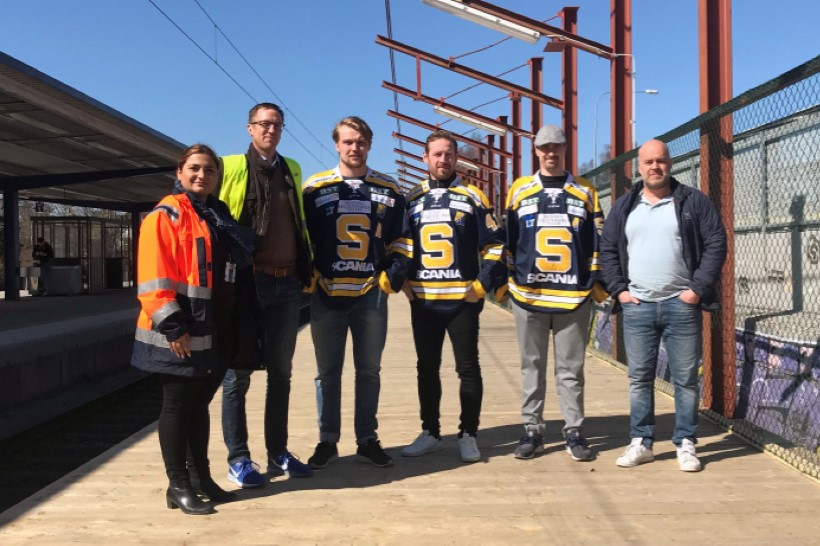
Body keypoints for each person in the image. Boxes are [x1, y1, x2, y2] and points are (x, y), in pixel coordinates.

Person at [131, 144, 255, 515]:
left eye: (209, 171)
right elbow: (153, 277)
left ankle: (201, 478)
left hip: (212, 325)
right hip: (178, 329)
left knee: (198, 406)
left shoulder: (216, 214)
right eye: (195, 169)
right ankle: (178, 484)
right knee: (176, 406)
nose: (202, 176)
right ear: (180, 172)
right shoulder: (165, 215)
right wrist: (172, 326)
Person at [601, 139, 727, 472]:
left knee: (685, 379)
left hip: (681, 304)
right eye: (648, 162)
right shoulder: (625, 205)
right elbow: (608, 249)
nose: (655, 167)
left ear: (670, 163)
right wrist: (620, 292)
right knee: (639, 378)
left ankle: (685, 443)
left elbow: (716, 243)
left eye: (661, 161)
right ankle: (641, 442)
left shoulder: (692, 201)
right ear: (637, 168)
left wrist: (696, 290)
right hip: (638, 304)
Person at [302, 116, 410, 469]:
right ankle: (327, 440)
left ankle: (367, 438)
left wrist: (390, 277)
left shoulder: (389, 188)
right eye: (348, 141)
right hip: (328, 292)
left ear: (369, 144)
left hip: (369, 294)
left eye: (361, 141)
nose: (354, 147)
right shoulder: (314, 188)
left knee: (369, 371)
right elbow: (303, 238)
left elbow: (403, 240)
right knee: (327, 372)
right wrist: (308, 274)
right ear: (337, 144)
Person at [217, 102, 315, 487]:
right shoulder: (228, 166)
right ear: (249, 128)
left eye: (276, 124)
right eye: (263, 124)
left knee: (282, 374)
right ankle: (239, 458)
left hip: (287, 284)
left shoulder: (291, 169)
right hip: (246, 284)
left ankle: (278, 452)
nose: (270, 130)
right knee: (237, 375)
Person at [399, 130, 505, 463]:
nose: (443, 160)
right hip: (425, 301)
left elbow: (496, 244)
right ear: (425, 158)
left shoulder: (474, 196)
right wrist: (402, 282)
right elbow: (398, 244)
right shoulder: (411, 198)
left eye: (448, 154)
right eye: (437, 154)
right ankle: (430, 431)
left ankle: (468, 433)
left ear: (456, 157)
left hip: (462, 300)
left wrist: (481, 285)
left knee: (468, 368)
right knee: (426, 368)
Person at [504, 125, 607, 462]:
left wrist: (597, 283)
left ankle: (573, 430)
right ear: (536, 151)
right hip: (529, 295)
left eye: (556, 147)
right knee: (530, 365)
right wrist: (505, 280)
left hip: (572, 296)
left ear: (565, 149)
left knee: (570, 368)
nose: (551, 153)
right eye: (544, 148)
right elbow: (507, 239)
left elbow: (598, 241)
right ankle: (532, 428)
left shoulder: (586, 191)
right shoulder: (519, 190)